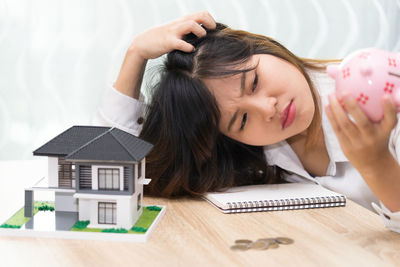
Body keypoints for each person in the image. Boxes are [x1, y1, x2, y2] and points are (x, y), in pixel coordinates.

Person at [93, 11, 400, 233]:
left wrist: (378, 165)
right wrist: (135, 54)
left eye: (253, 82)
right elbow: (105, 172)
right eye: (241, 120)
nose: (267, 109)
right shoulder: (262, 156)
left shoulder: (380, 93)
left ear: (261, 47)